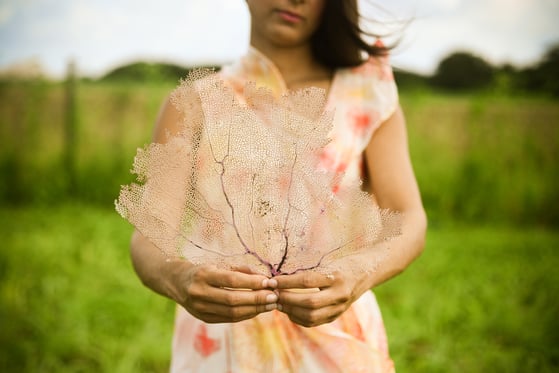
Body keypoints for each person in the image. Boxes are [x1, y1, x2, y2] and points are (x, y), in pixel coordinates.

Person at [128, 0, 427, 371]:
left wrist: (356, 274)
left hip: (335, 341)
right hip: (222, 347)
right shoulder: (197, 101)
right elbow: (148, 237)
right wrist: (181, 278)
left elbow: (409, 217)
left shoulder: (368, 97)